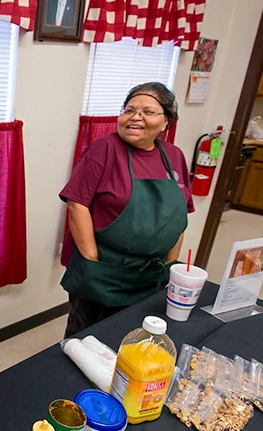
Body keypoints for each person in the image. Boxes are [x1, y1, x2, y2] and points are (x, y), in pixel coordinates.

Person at [59, 82, 194, 338]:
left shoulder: (174, 156)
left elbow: (180, 213)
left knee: (134, 339)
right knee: (86, 341)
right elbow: (77, 205)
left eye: (148, 112)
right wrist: (92, 263)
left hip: (151, 273)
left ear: (167, 122)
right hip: (105, 273)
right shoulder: (104, 149)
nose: (135, 117)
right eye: (129, 110)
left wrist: (169, 263)